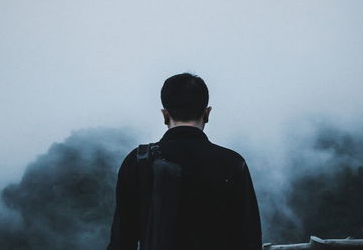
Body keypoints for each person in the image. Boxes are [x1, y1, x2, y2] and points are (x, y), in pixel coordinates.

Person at [107, 72, 262, 250]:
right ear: (207, 113)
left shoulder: (138, 160)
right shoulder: (233, 163)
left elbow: (122, 239)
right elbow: (249, 239)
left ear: (165, 114)